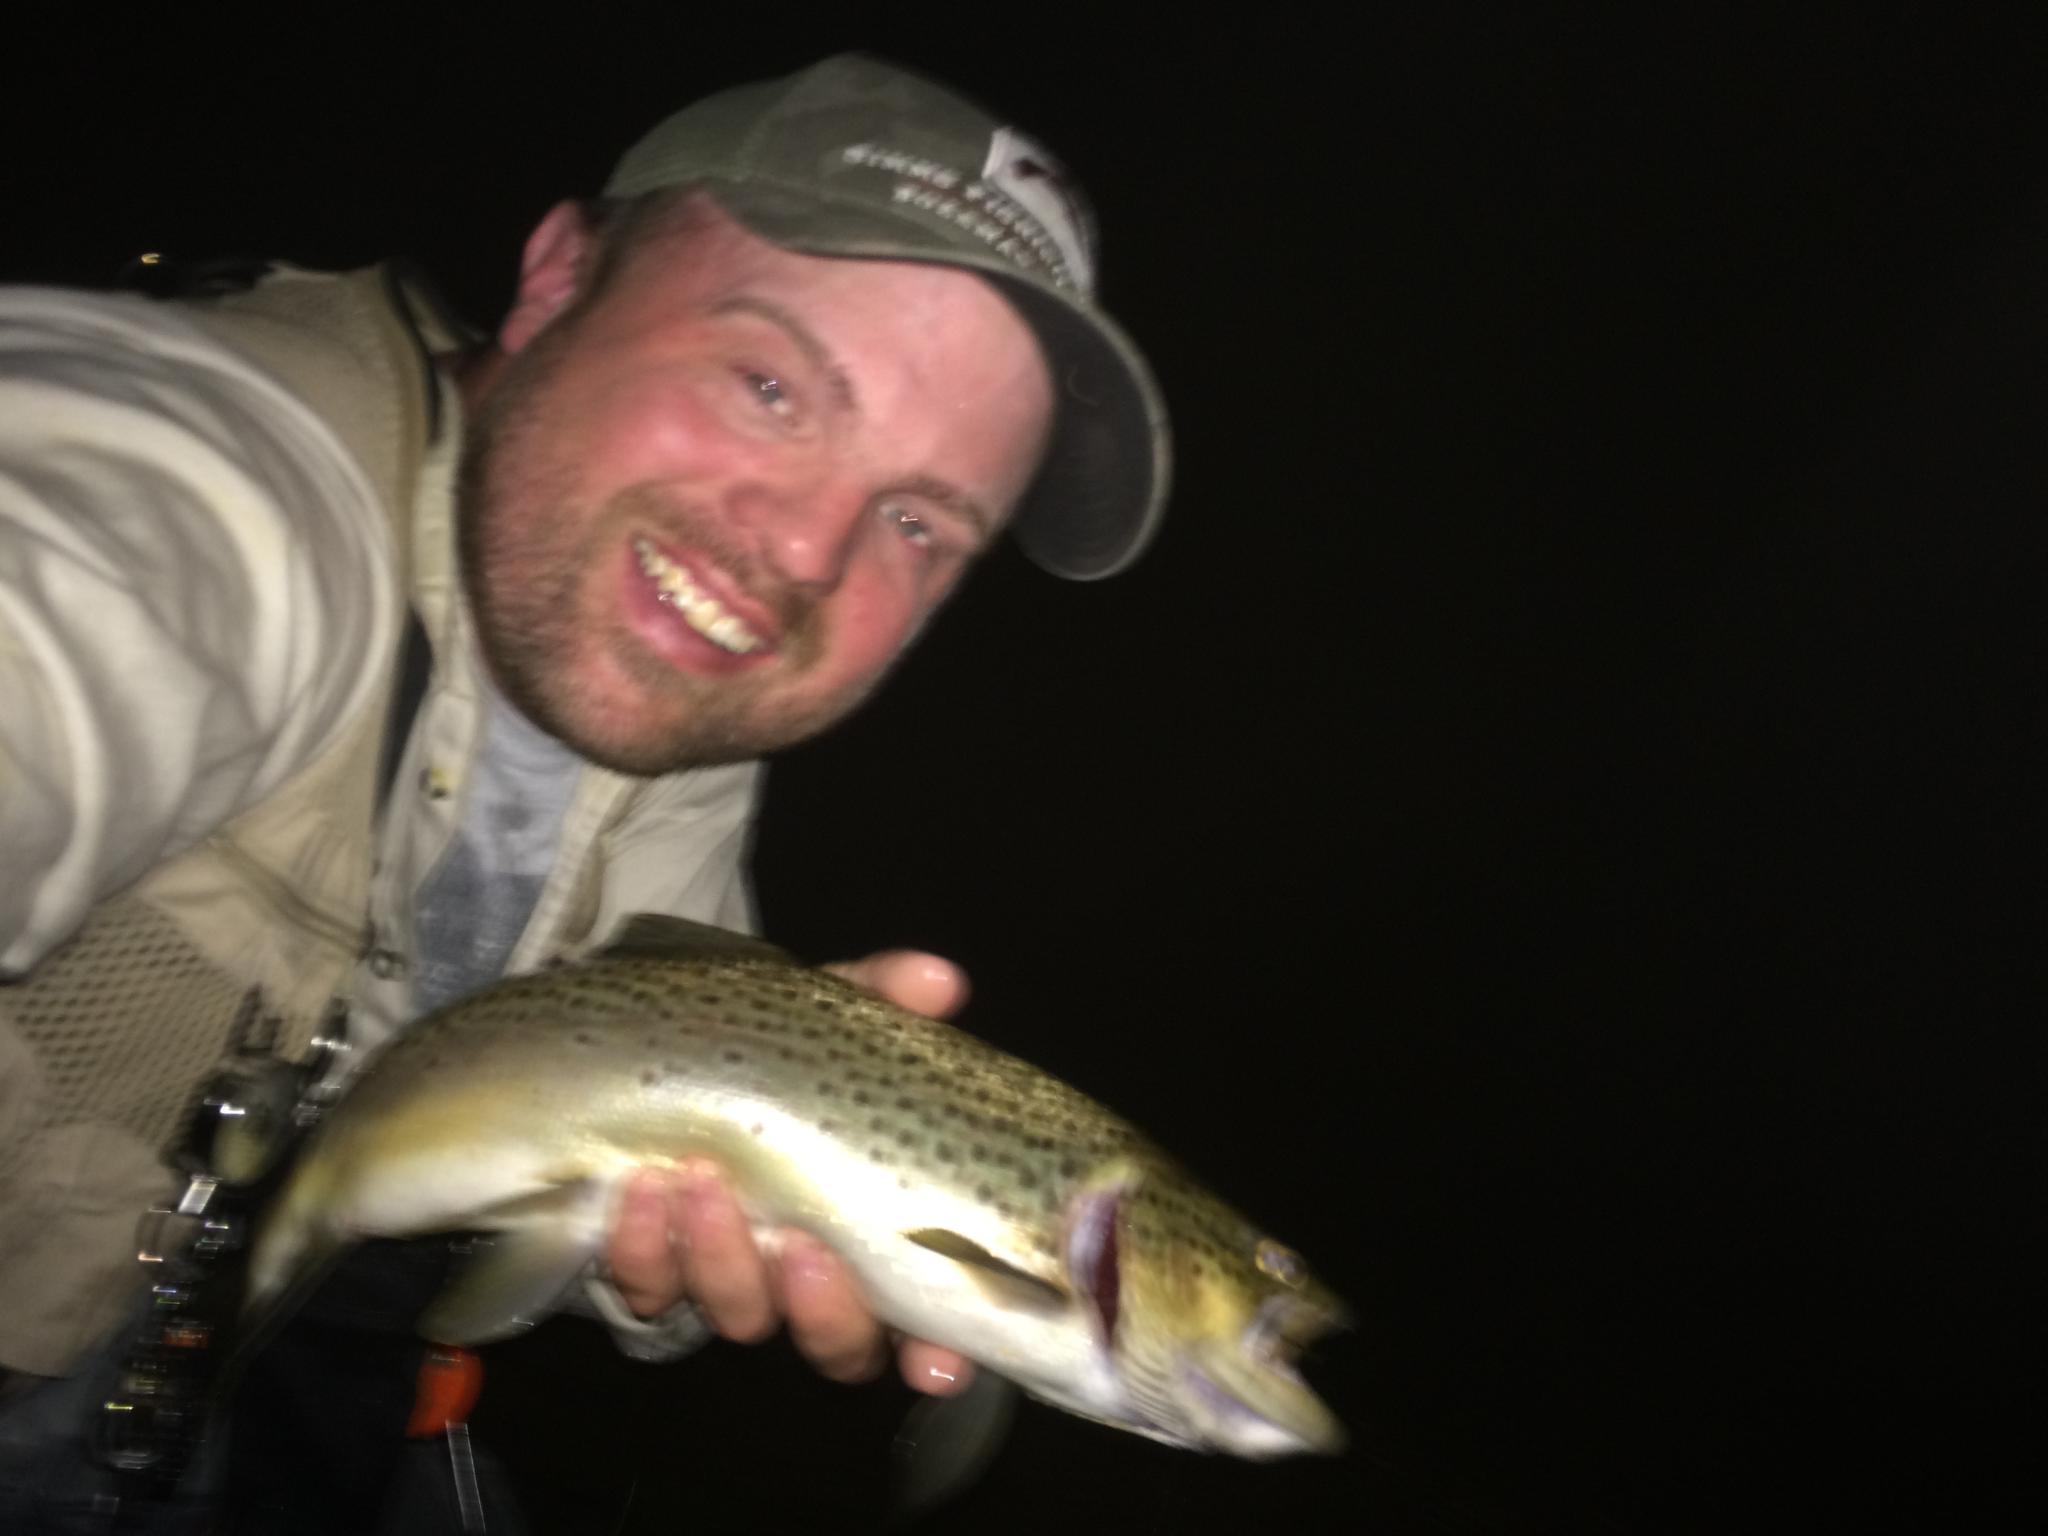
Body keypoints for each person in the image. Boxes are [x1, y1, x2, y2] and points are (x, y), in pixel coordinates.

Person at [0, 51, 1169, 1529]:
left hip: (223, 1390)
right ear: (558, 277)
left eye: (919, 521)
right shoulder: (209, 484)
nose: (804, 555)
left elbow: (592, 1209)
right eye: (769, 386)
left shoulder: (679, 713)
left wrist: (682, 1257)